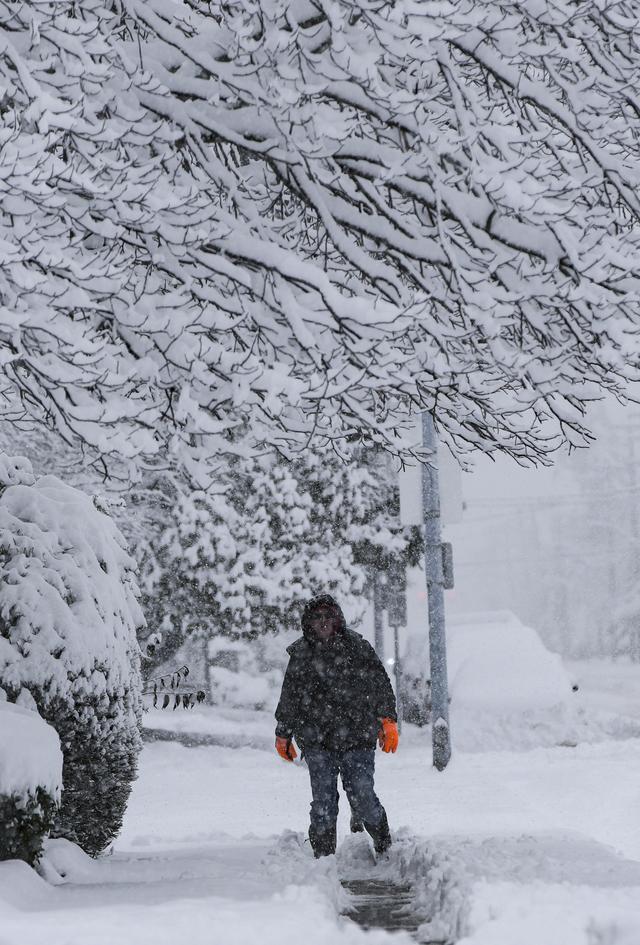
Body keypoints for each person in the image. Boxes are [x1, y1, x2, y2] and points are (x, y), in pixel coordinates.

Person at [274, 593, 399, 858]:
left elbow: (380, 685)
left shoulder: (357, 647)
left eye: (327, 616)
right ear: (308, 622)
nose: (322, 622)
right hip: (317, 740)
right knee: (324, 804)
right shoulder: (301, 654)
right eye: (317, 617)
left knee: (363, 797)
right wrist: (283, 733)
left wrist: (387, 720)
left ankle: (384, 845)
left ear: (337, 619)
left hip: (358, 737)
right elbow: (290, 696)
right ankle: (323, 861)